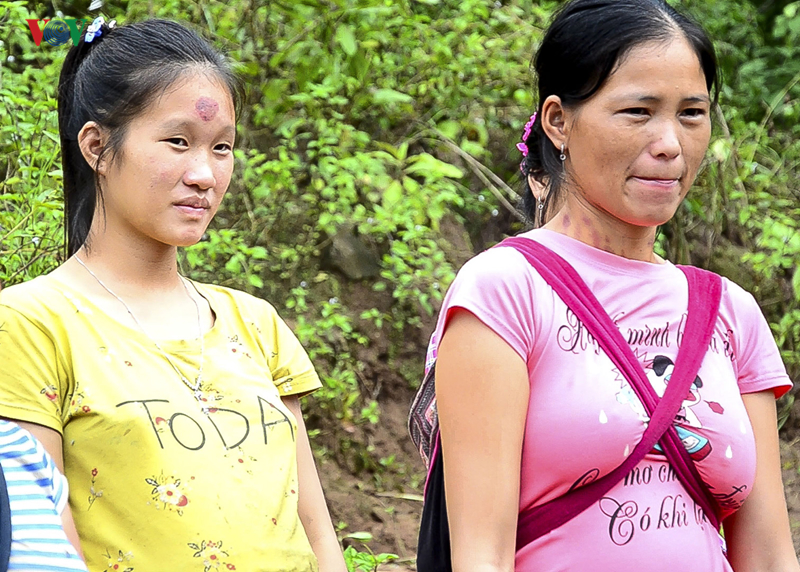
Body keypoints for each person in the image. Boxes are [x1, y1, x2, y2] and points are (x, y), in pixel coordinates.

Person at [426, 0, 800, 570]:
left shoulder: (730, 312)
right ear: (558, 122)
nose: (670, 143)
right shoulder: (505, 292)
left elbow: (770, 554)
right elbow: (480, 554)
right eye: (638, 111)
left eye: (692, 113)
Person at [0, 17, 346, 572]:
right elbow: (44, 545)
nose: (205, 174)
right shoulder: (31, 323)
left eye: (222, 147)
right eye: (178, 141)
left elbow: (316, 530)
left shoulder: (255, 323)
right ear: (97, 146)